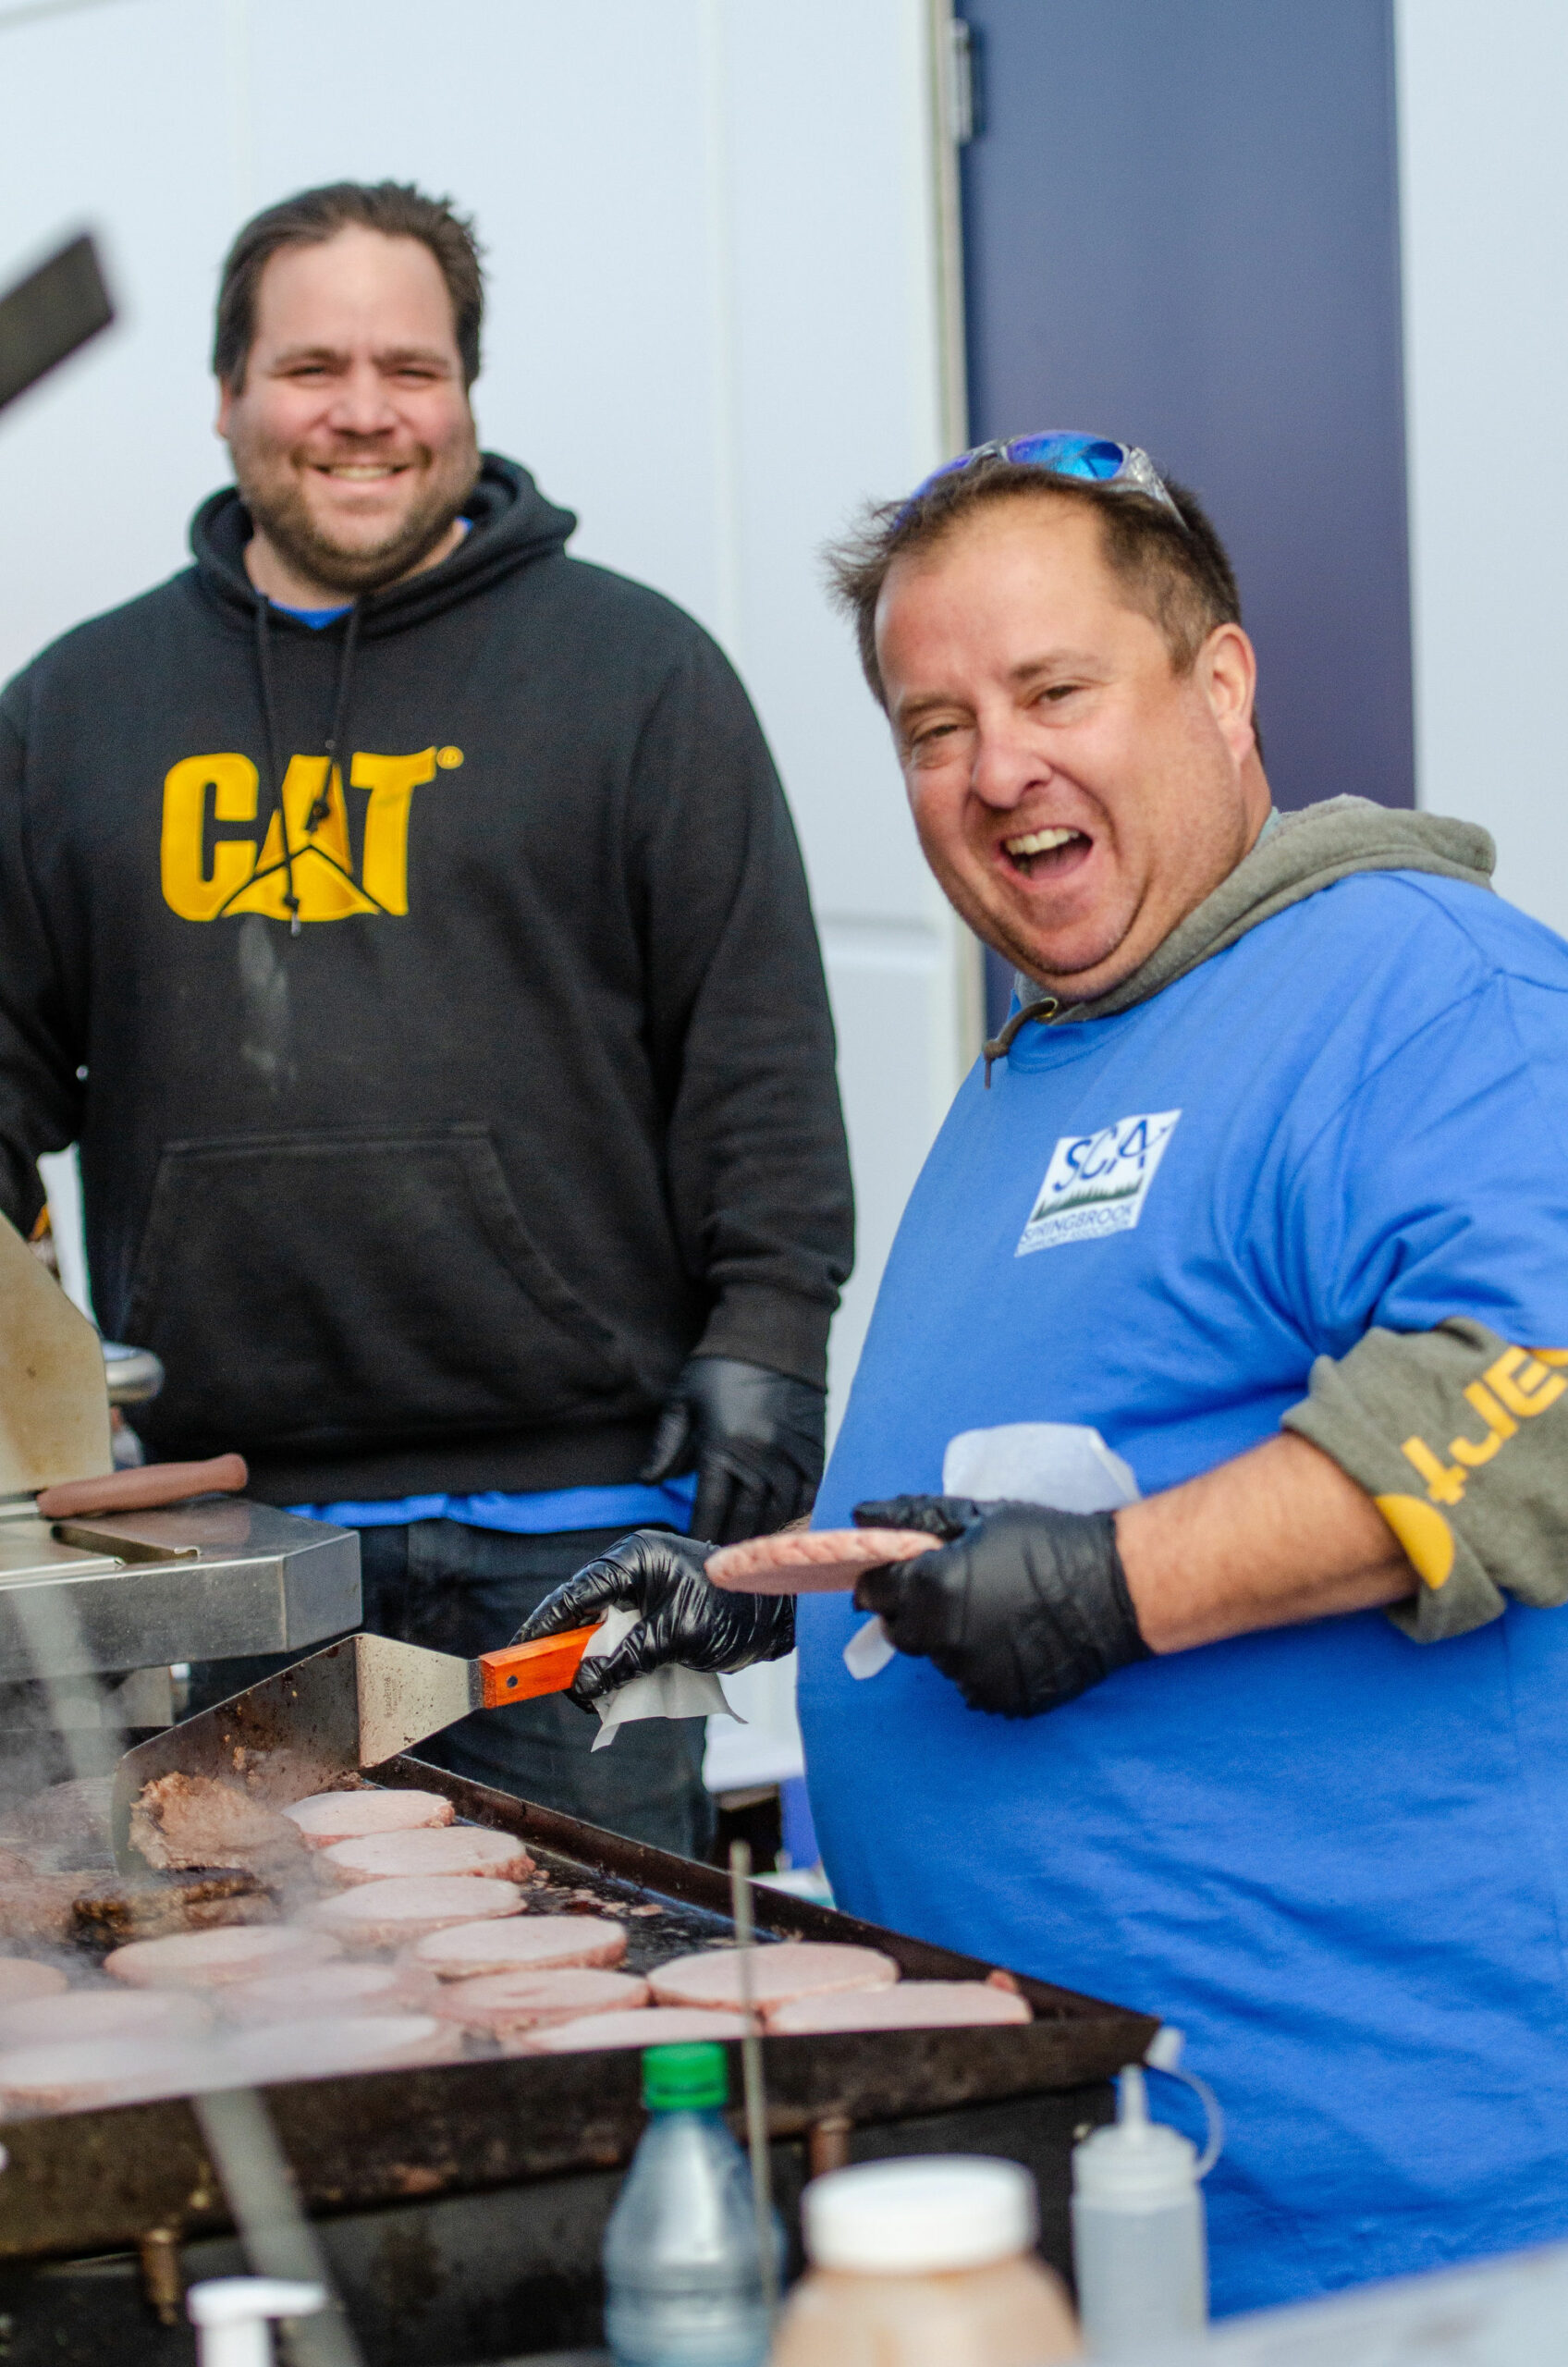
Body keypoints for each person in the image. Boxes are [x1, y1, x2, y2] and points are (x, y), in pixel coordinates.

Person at [520, 433, 1568, 2309]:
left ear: (1220, 685)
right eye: (933, 727)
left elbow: (1535, 1386)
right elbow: (1037, 1485)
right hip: (1063, 2190)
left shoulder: (1418, 985)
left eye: (1053, 691)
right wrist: (763, 1596)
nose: (996, 768)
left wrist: (1114, 1588)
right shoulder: (1039, 1067)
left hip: (1382, 2213)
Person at [0, 181, 853, 1858]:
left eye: (412, 366)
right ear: (228, 395)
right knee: (248, 1978)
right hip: (228, 1543)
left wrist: (772, 1334)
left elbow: (755, 1045)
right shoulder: (75, 713)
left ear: (465, 391)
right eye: (312, 366)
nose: (365, 411)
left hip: (587, 1534)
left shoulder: (637, 675)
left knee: (608, 1975)